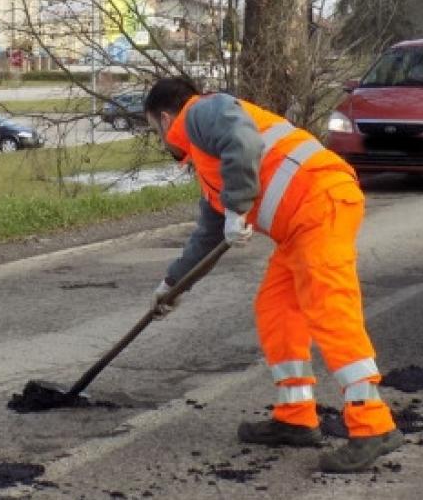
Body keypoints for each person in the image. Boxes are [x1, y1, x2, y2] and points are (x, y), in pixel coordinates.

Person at [144, 76, 403, 473]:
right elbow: (207, 239)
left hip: (321, 203)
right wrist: (172, 286)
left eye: (154, 131)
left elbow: (242, 142)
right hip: (300, 226)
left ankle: (373, 425)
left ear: (164, 119)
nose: (162, 141)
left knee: (330, 312)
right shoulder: (209, 166)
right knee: (276, 309)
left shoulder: (203, 112)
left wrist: (237, 207)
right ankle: (296, 418)